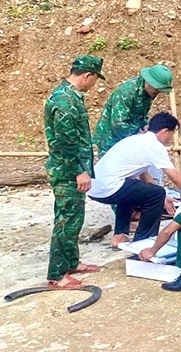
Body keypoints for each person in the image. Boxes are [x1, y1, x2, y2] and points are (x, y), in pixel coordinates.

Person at [88, 112, 181, 247]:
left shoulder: (137, 140)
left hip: (93, 187)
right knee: (156, 193)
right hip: (108, 188)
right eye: (171, 133)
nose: (171, 137)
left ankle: (120, 236)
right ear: (164, 131)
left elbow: (144, 175)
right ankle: (144, 241)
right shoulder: (155, 146)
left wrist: (164, 197)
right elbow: (175, 177)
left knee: (133, 190)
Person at [43, 55, 105, 289]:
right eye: (95, 79)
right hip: (67, 170)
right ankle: (57, 275)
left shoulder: (68, 96)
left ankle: (71, 262)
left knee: (74, 219)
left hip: (69, 168)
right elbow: (65, 141)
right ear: (88, 76)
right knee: (66, 221)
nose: (94, 85)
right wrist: (79, 171)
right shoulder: (66, 100)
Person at [94, 64, 174, 159]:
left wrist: (146, 126)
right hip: (111, 140)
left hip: (128, 140)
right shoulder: (126, 93)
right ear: (149, 82)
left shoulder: (148, 93)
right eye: (157, 89)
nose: (158, 92)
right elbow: (118, 124)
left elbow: (140, 115)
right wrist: (138, 137)